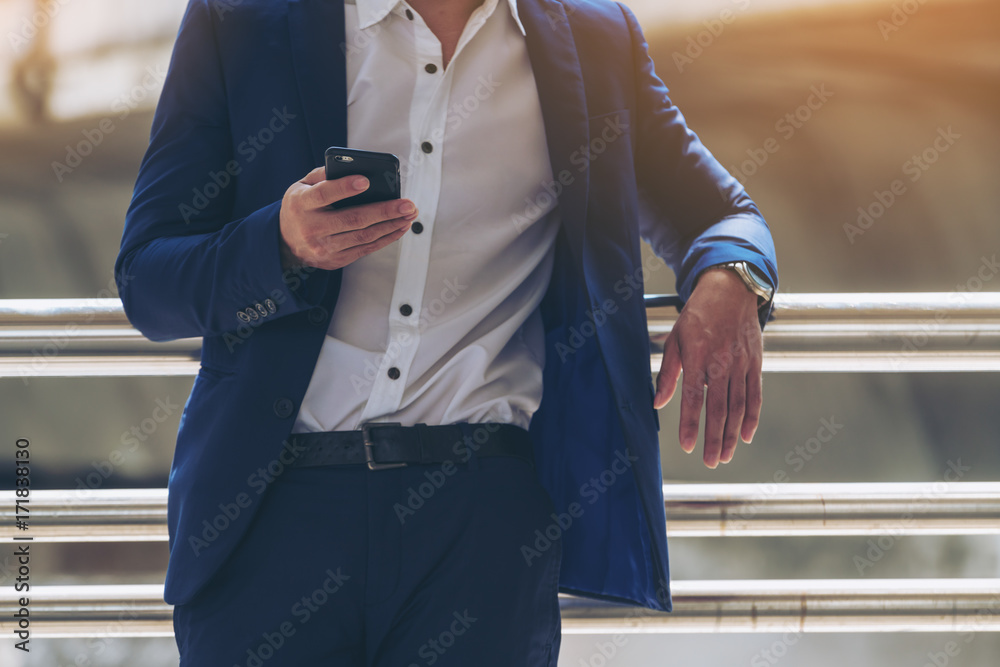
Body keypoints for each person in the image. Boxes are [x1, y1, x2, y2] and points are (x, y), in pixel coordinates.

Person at [116, 0, 778, 664]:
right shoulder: (242, 17)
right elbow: (147, 278)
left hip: (480, 534)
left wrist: (733, 277)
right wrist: (280, 244)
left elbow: (722, 216)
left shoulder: (593, 36)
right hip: (270, 521)